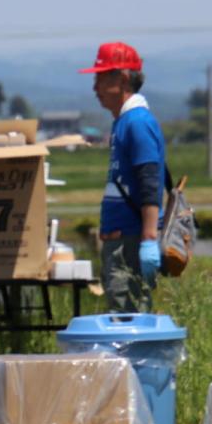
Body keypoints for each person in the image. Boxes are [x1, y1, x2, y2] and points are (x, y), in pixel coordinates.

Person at [79, 42, 166, 313]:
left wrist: (148, 239)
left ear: (124, 79)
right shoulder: (124, 122)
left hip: (131, 242)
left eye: (101, 79)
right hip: (120, 241)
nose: (95, 88)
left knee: (128, 319)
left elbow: (149, 181)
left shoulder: (137, 122)